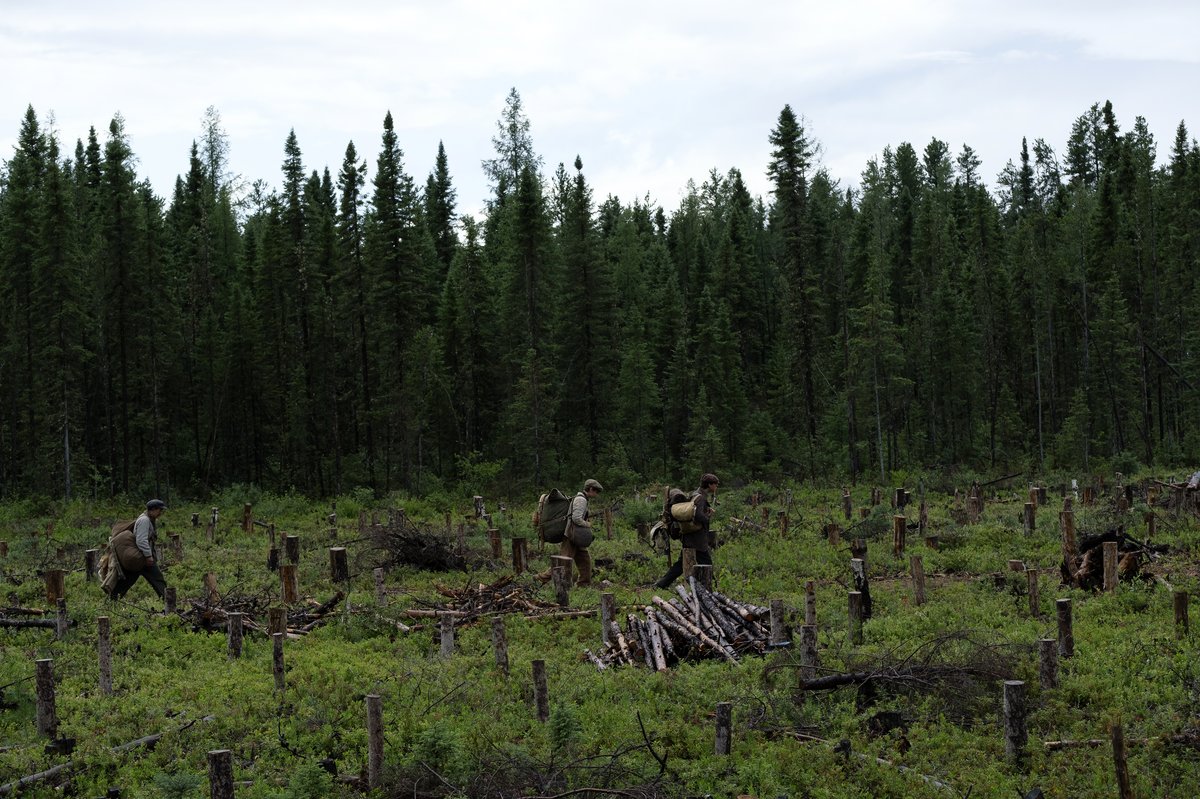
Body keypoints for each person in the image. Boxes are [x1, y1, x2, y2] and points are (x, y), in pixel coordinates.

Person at [654, 473, 719, 589]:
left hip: (689, 537)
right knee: (707, 564)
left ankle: (661, 584)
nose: (716, 487)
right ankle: (710, 587)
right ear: (709, 485)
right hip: (697, 540)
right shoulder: (701, 498)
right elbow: (699, 516)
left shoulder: (695, 494)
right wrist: (708, 516)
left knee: (680, 565)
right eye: (715, 484)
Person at [112, 499, 169, 600]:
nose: (160, 513)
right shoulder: (144, 520)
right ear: (153, 509)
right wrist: (148, 556)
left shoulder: (147, 519)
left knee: (128, 580)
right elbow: (141, 540)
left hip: (140, 556)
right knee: (158, 579)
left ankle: (113, 599)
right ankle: (168, 600)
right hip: (142, 557)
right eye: (160, 510)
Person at [559, 478, 602, 586]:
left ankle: (584, 584)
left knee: (585, 560)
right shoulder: (581, 500)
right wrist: (587, 524)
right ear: (591, 489)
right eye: (596, 491)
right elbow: (576, 518)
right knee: (563, 562)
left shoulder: (583, 499)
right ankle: (541, 578)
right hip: (572, 536)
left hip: (577, 536)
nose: (597, 494)